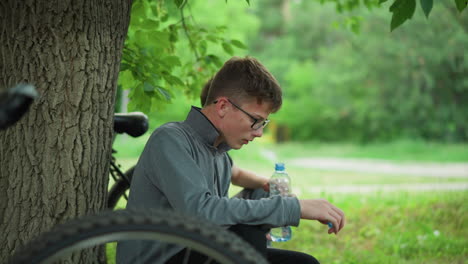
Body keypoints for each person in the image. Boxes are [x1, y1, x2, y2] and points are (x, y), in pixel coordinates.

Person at [116, 57, 345, 264]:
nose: (258, 133)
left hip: (199, 251)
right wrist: (292, 208)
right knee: (246, 233)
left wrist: (269, 193)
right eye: (256, 120)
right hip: (162, 258)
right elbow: (201, 212)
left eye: (263, 124)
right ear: (224, 106)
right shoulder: (170, 139)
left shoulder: (220, 155)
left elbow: (228, 204)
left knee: (304, 263)